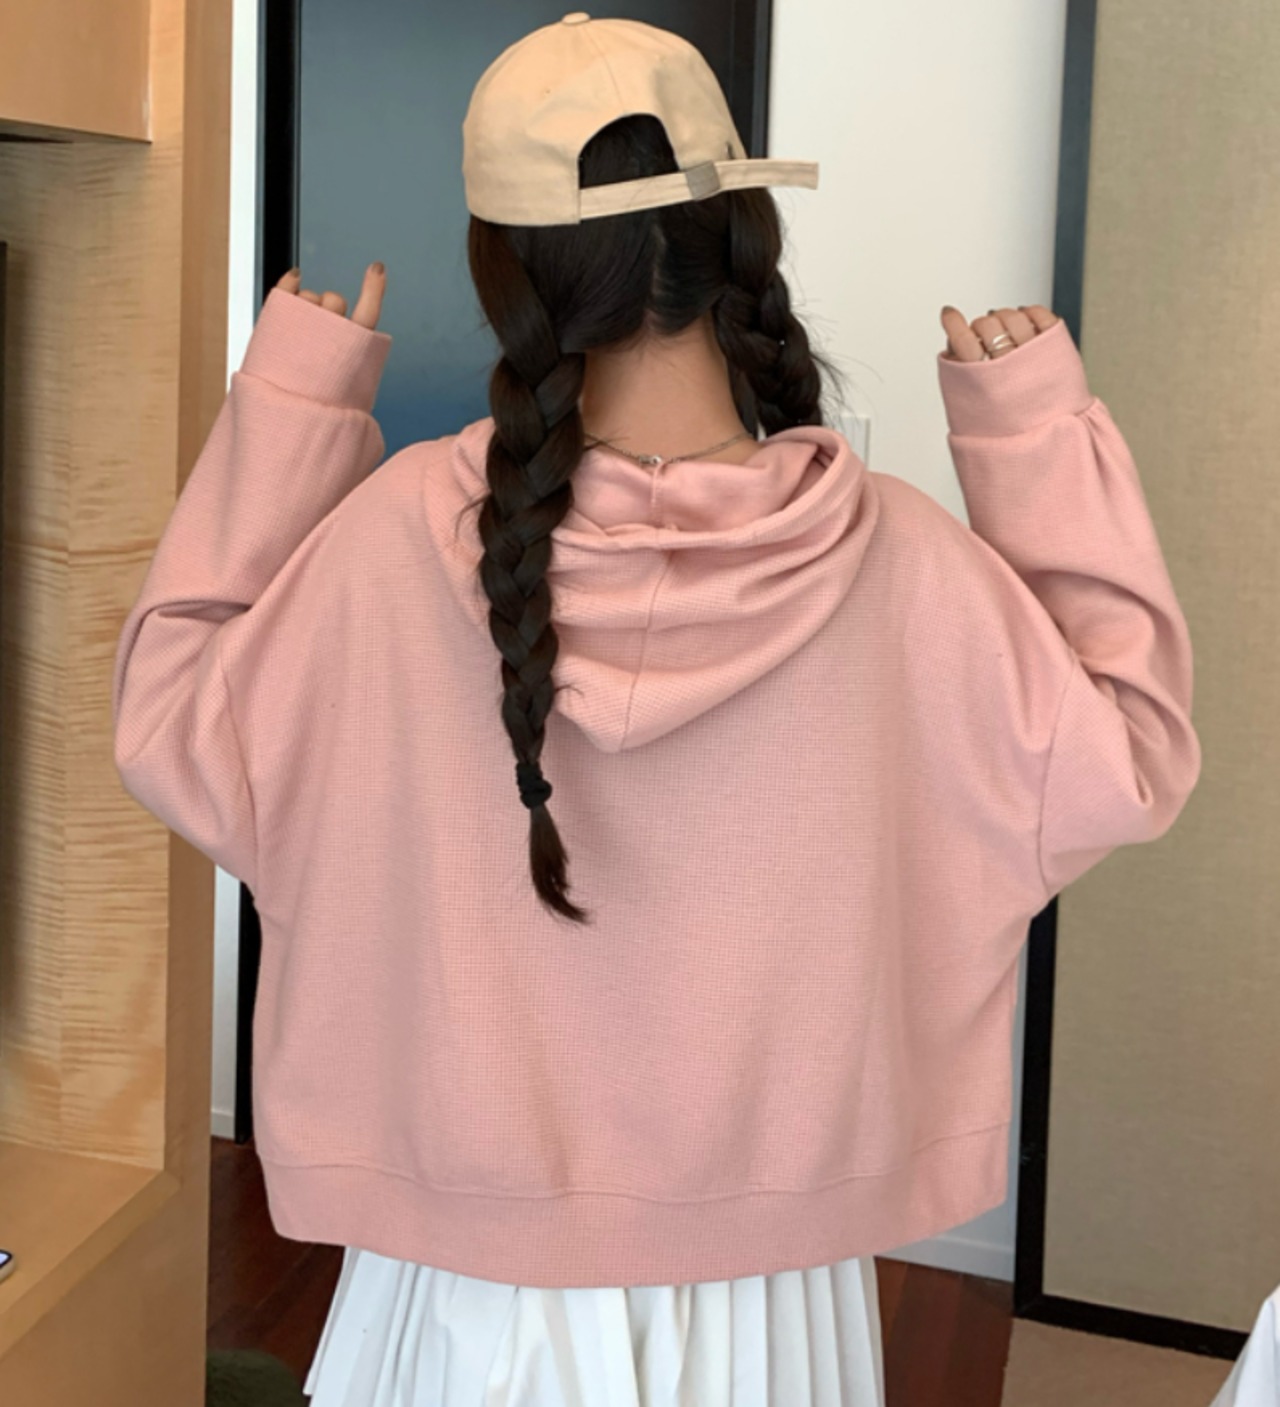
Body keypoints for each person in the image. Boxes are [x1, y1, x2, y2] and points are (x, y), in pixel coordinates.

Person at [111, 13, 1202, 1407]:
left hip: (466, 1277)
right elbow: (1128, 753)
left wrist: (288, 411)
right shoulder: (907, 566)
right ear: (742, 233)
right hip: (771, 1293)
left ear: (505, 268)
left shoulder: (390, 545)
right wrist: (1035, 433)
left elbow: (171, 724)